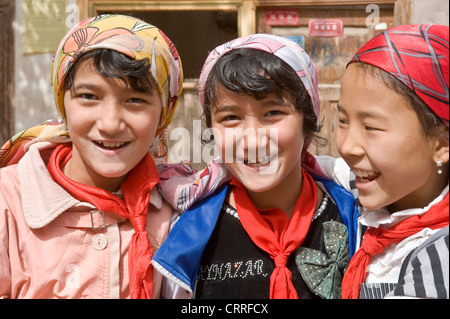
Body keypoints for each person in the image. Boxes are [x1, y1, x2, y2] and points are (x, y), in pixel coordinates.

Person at [152, 34, 359, 299]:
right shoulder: (187, 234)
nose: (252, 139)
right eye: (231, 117)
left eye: (272, 113)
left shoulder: (356, 216)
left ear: (307, 120)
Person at [0, 14, 183, 298]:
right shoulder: (8, 202)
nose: (110, 123)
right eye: (89, 96)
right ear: (63, 103)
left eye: (135, 100)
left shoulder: (177, 208)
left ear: (163, 113)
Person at [317, 24, 449, 299]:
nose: (347, 147)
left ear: (442, 144)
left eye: (371, 127)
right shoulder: (375, 185)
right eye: (342, 121)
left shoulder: (439, 262)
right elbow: (320, 165)